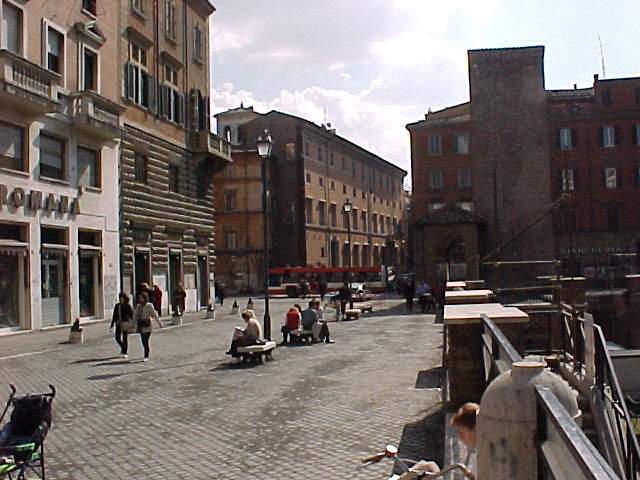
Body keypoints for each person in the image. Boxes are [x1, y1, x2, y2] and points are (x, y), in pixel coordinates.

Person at [132, 291, 163, 361]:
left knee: (145, 340)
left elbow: (155, 314)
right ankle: (146, 351)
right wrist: (132, 324)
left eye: (141, 297)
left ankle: (146, 355)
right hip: (141, 326)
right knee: (143, 340)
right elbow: (135, 316)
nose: (140, 299)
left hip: (147, 325)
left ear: (145, 298)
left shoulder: (149, 305)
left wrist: (159, 323)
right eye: (139, 297)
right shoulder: (138, 306)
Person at [451, 402, 479, 477]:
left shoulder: (484, 457)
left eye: (462, 432)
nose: (460, 437)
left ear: (475, 429)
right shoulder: (477, 454)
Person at [110, 292, 133, 358]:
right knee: (117, 338)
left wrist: (133, 323)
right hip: (118, 323)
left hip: (125, 323)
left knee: (125, 338)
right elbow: (114, 315)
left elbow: (131, 315)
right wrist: (112, 325)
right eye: (120, 298)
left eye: (122, 298)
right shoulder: (117, 305)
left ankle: (125, 352)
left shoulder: (128, 306)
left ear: (125, 298)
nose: (121, 299)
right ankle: (123, 348)